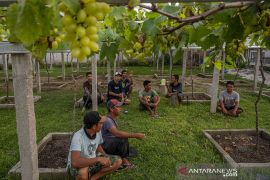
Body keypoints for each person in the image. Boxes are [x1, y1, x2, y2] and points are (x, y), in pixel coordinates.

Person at [67, 111, 122, 180]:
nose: (102, 125)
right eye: (101, 123)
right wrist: (97, 159)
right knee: (82, 174)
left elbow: (98, 145)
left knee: (118, 161)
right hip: (80, 164)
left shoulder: (97, 132)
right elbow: (75, 162)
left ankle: (93, 178)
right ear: (94, 126)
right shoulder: (78, 137)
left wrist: (105, 157)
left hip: (92, 160)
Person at [101, 99, 145, 169]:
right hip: (103, 146)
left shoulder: (112, 118)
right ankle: (125, 163)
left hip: (107, 142)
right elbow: (117, 134)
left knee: (130, 148)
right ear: (112, 109)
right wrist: (135, 135)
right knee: (122, 139)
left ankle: (120, 156)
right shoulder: (108, 120)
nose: (120, 108)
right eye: (118, 107)